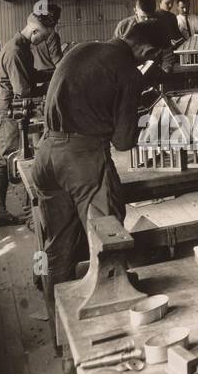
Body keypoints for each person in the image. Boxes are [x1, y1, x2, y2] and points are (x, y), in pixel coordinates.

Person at [30, 21, 169, 337]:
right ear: (147, 50)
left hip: (47, 153)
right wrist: (142, 112)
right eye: (153, 57)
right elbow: (122, 142)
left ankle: (62, 343)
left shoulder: (82, 46)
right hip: (82, 159)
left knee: (58, 250)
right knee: (107, 246)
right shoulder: (128, 72)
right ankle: (108, 336)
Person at [0, 9, 59, 226]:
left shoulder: (22, 46)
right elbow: (23, 90)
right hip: (5, 113)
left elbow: (29, 75)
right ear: (34, 30)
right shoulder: (16, 51)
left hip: (0, 109)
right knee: (18, 164)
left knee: (2, 160)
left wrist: (53, 72)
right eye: (43, 37)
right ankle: (32, 220)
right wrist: (51, 86)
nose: (43, 41)